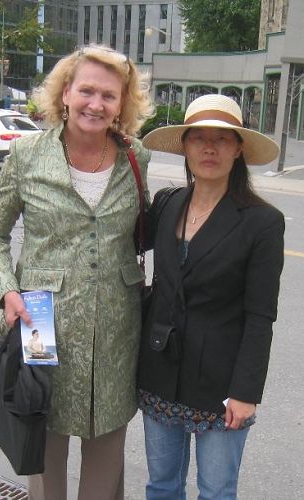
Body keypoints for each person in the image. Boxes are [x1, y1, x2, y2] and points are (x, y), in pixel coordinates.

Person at [0, 44, 153, 500]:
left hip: (116, 327)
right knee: (43, 445)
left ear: (123, 103)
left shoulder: (136, 156)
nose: (96, 104)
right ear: (66, 94)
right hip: (40, 321)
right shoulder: (28, 155)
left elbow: (143, 227)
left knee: (106, 452)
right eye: (87, 91)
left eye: (109, 95)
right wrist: (7, 291)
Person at [138, 94, 285, 500]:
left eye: (221, 139)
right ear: (184, 146)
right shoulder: (168, 204)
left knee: (217, 491)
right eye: (198, 138)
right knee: (162, 485)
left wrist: (246, 392)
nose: (208, 147)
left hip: (222, 384)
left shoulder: (262, 222)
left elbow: (260, 316)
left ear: (238, 149)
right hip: (160, 372)